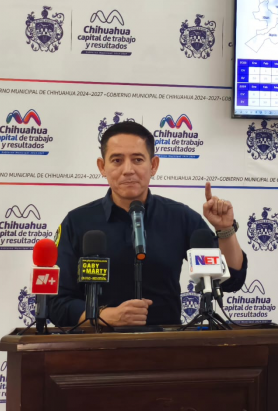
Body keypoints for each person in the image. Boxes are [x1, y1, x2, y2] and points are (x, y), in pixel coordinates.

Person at [48, 122, 247, 327]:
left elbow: (231, 280)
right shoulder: (78, 222)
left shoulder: (179, 217)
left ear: (153, 165)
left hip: (165, 343)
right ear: (102, 167)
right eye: (117, 160)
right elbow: (55, 303)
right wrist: (105, 316)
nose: (128, 170)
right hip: (97, 343)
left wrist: (225, 230)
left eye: (137, 159)